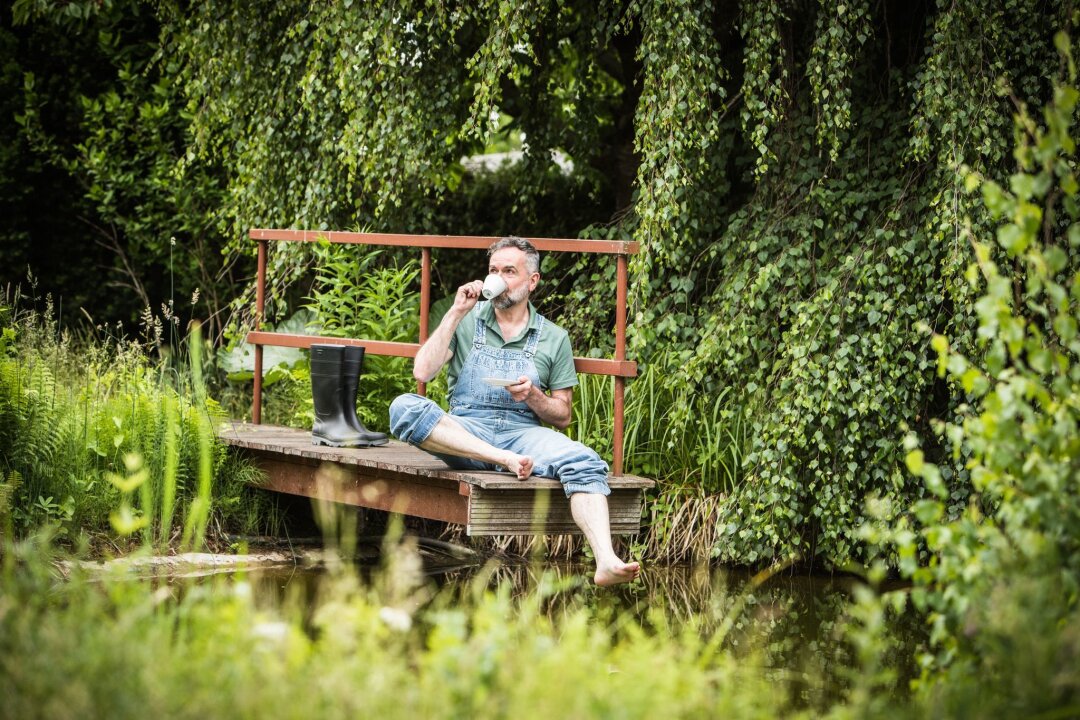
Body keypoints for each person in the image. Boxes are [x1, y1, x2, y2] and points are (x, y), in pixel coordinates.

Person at [389, 236, 640, 586]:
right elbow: (422, 372)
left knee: (586, 461)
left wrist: (534, 396)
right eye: (494, 270)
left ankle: (606, 560)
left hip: (524, 436)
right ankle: (500, 457)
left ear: (532, 281)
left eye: (510, 271)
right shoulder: (465, 320)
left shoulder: (554, 337)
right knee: (404, 408)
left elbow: (562, 415)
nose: (499, 278)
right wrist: (456, 311)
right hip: (466, 432)